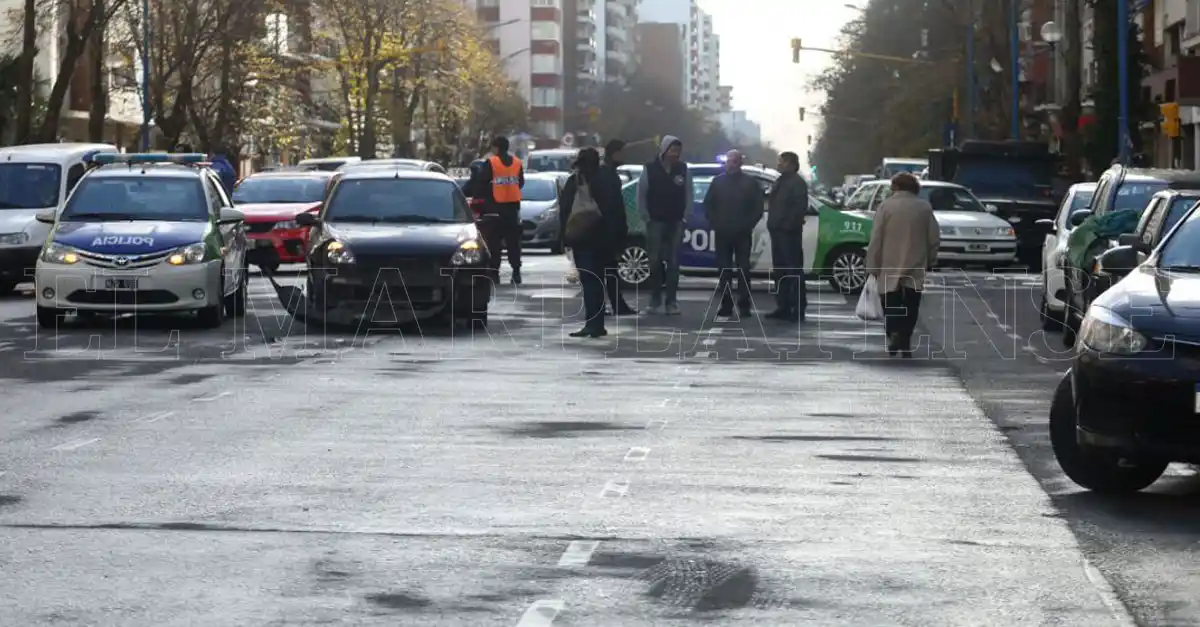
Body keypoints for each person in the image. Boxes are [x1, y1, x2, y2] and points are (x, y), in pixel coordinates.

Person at [864, 172, 940, 358]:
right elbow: (933, 237)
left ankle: (894, 332)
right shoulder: (924, 207)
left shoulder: (886, 207)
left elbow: (877, 237)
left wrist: (872, 264)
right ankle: (906, 337)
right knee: (912, 302)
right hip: (916, 261)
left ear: (896, 187)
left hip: (889, 261)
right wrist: (931, 258)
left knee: (891, 300)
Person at [559, 147, 625, 338]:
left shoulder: (576, 181)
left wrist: (565, 237)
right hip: (604, 238)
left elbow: (565, 209)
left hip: (583, 238)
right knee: (599, 280)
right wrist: (619, 239)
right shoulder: (608, 180)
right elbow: (618, 211)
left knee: (589, 282)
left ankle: (593, 323)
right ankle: (597, 323)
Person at [703, 150, 763, 318]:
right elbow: (708, 205)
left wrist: (747, 225)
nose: (732, 164)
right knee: (724, 270)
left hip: (742, 233)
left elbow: (757, 208)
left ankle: (744, 305)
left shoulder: (750, 183)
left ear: (740, 163)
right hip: (723, 233)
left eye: (735, 161)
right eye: (729, 161)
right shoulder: (717, 182)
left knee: (743, 269)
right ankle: (726, 304)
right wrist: (715, 223)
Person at [636, 135, 691, 315]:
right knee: (654, 261)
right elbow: (641, 193)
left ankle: (671, 301)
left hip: (675, 221)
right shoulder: (650, 169)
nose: (675, 154)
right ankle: (655, 299)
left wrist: (684, 216)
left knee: (673, 262)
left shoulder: (683, 169)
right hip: (655, 221)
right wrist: (645, 216)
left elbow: (688, 193)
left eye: (678, 151)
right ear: (664, 150)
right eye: (672, 150)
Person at [466, 137, 525, 284]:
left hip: (495, 209)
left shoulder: (491, 163)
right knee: (513, 243)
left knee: (494, 243)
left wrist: (479, 197)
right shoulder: (517, 163)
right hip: (512, 209)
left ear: (497, 148)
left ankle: (494, 273)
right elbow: (521, 182)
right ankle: (516, 272)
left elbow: (480, 183)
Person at [765, 151, 809, 322]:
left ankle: (797, 308)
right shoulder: (780, 181)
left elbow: (799, 209)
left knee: (793, 271)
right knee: (780, 271)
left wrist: (787, 226)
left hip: (789, 235)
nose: (778, 164)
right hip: (777, 233)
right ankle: (782, 306)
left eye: (781, 162)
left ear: (790, 164)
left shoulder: (796, 183)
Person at [601, 139, 636, 315]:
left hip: (608, 230)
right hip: (606, 231)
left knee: (610, 270)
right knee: (607, 269)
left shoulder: (608, 173)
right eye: (621, 152)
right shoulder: (607, 174)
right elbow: (611, 206)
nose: (624, 156)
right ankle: (610, 305)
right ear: (614, 153)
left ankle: (616, 304)